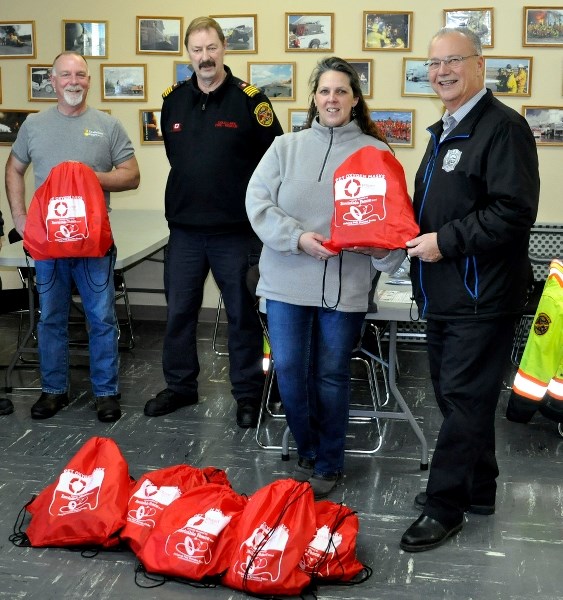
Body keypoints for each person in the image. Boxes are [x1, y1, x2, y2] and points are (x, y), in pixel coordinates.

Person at [400, 27, 539, 552]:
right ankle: (479, 489)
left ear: (480, 65)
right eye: (434, 64)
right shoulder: (445, 131)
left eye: (454, 61)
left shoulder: (502, 129)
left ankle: (446, 505)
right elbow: (436, 209)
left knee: (462, 400)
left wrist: (445, 243)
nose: (442, 72)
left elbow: (512, 213)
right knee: (461, 396)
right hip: (444, 291)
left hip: (482, 295)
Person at [245, 57, 406, 498]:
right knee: (291, 371)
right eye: (324, 91)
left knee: (332, 374)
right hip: (285, 282)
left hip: (345, 287)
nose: (331, 99)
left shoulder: (377, 154)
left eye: (341, 91)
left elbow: (391, 222)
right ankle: (308, 449)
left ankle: (330, 462)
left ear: (355, 100)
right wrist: (298, 238)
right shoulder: (284, 147)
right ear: (313, 99)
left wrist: (380, 249)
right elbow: (257, 203)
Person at [144, 16, 283, 428]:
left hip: (235, 233)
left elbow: (272, 162)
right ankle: (181, 387)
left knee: (242, 315)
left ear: (225, 48)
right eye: (196, 49)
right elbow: (178, 158)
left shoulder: (249, 101)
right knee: (179, 314)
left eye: (211, 48)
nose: (204, 57)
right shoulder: (173, 100)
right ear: (188, 53)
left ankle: (247, 394)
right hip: (185, 230)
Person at [4, 51, 140, 422]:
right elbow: (14, 169)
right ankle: (52, 390)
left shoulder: (107, 125)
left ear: (89, 80)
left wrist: (89, 175)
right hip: (48, 246)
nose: (73, 81)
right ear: (52, 81)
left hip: (94, 244)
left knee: (100, 317)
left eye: (80, 74)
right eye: (65, 75)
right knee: (50, 319)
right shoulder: (33, 126)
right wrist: (19, 217)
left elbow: (131, 175)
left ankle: (106, 392)